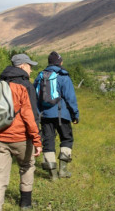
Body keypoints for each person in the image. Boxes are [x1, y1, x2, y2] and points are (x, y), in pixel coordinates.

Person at [0, 54, 42, 210]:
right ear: (22, 66)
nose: (31, 69)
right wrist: (37, 139)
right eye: (30, 66)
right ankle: (25, 204)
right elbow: (30, 115)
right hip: (21, 138)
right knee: (27, 166)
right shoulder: (26, 86)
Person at [34, 51, 79, 180]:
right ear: (60, 62)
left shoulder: (40, 76)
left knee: (48, 142)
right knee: (67, 139)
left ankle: (52, 175)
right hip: (62, 115)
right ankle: (63, 171)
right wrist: (75, 114)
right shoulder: (64, 76)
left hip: (45, 116)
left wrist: (37, 115)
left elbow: (35, 98)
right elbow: (70, 98)